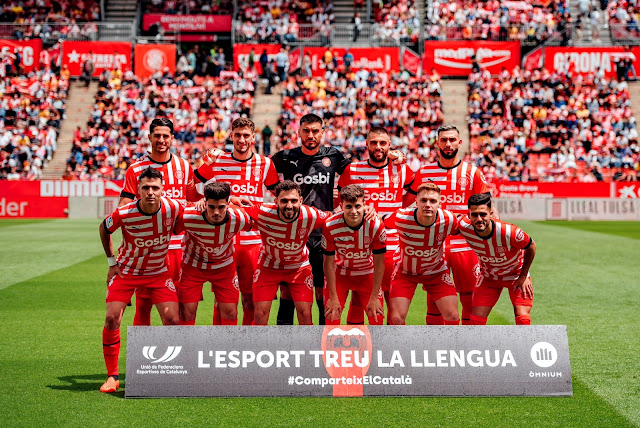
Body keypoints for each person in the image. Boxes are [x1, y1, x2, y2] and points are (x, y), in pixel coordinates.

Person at [270, 114, 405, 325]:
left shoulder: (333, 156)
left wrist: (395, 154)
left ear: (322, 133)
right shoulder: (285, 156)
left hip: (324, 231)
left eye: (315, 131)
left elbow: (362, 171)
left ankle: (322, 342)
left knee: (321, 294)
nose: (311, 135)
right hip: (295, 233)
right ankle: (287, 344)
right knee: (288, 292)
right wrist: (278, 199)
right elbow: (260, 170)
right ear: (299, 133)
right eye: (306, 131)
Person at [98, 167, 182, 393]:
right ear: (137, 190)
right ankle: (112, 376)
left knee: (173, 320)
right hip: (126, 272)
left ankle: (169, 370)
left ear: (163, 189)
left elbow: (194, 214)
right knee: (111, 318)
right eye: (146, 187)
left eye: (155, 187)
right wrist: (111, 262)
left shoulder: (173, 207)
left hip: (158, 273)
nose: (151, 192)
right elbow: (103, 229)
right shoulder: (125, 213)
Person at [407, 124, 497, 325]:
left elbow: (487, 208)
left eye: (452, 140)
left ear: (459, 142)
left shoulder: (472, 173)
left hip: (465, 245)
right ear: (437, 143)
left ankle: (466, 347)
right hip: (434, 245)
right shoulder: (423, 172)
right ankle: (437, 348)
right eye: (444, 140)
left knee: (469, 296)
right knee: (434, 298)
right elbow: (407, 203)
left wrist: (494, 241)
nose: (448, 144)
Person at [195, 118, 279, 325]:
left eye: (246, 135)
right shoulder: (218, 161)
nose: (241, 140)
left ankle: (246, 349)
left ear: (253, 137)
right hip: (224, 242)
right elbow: (192, 186)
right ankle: (221, 349)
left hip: (252, 244)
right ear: (231, 136)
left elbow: (279, 195)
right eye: (237, 135)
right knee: (221, 301)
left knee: (250, 300)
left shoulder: (265, 163)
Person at [119, 118, 201, 326]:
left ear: (172, 138)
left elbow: (194, 200)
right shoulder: (136, 170)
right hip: (151, 251)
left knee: (183, 307)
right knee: (143, 306)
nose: (161, 140)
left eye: (166, 136)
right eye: (157, 136)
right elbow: (123, 210)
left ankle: (182, 355)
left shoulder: (183, 166)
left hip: (181, 249)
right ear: (149, 138)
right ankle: (142, 357)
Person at [337, 126, 414, 322]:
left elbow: (413, 193)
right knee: (357, 295)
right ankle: (358, 344)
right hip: (359, 245)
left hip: (391, 245)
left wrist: (392, 215)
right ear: (367, 145)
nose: (378, 147)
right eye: (374, 143)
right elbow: (341, 199)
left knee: (391, 297)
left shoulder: (401, 169)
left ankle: (389, 345)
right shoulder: (353, 170)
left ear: (389, 145)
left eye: (382, 143)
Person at [243, 180, 331, 325]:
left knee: (305, 313)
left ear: (301, 201)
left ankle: (306, 347)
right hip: (268, 267)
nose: (289, 205)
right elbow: (230, 210)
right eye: (284, 201)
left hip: (299, 268)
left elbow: (335, 217)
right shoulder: (263, 211)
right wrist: (231, 200)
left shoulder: (311, 214)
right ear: (276, 201)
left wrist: (366, 210)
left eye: (293, 201)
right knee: (259, 313)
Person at [173, 182, 254, 325]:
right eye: (211, 207)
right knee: (186, 312)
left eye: (221, 207)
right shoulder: (188, 216)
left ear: (228, 204)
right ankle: (186, 346)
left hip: (224, 267)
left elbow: (261, 220)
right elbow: (171, 225)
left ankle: (226, 347)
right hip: (193, 267)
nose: (216, 212)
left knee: (230, 311)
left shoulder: (240, 217)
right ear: (205, 203)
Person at [385, 183, 460, 326]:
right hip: (405, 272)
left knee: (453, 315)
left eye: (432, 201)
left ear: (440, 203)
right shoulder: (401, 217)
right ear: (416, 202)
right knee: (396, 319)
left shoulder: (448, 219)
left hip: (436, 272)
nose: (428, 204)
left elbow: (466, 230)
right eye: (423, 200)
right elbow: (379, 223)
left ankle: (448, 347)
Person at [458, 193, 536, 325]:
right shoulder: (463, 226)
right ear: (469, 214)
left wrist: (523, 276)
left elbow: (531, 246)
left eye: (483, 214)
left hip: (515, 275)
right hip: (489, 277)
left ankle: (523, 345)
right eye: (474, 214)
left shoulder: (509, 232)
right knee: (476, 321)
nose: (479, 219)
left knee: (523, 319)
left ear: (491, 213)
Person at [323, 185, 386, 325]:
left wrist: (375, 297)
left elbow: (379, 263)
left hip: (366, 274)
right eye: (349, 206)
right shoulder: (330, 225)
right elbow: (328, 262)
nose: (354, 211)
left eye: (358, 206)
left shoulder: (375, 224)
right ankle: (332, 347)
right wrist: (333, 297)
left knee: (377, 317)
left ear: (364, 204)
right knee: (331, 315)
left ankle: (373, 347)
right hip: (340, 274)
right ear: (341, 205)